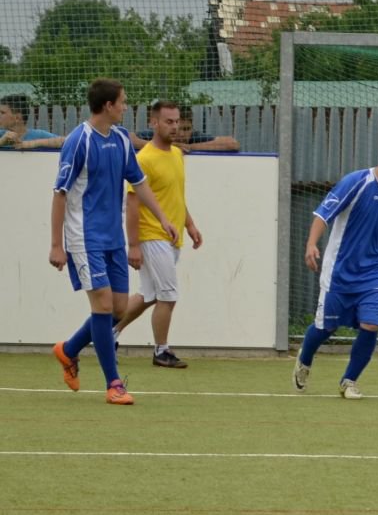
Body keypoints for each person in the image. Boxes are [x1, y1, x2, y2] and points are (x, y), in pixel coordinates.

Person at [49, 78, 178, 405]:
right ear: (108, 105)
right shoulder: (79, 141)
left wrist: (164, 219)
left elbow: (140, 183)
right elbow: (60, 193)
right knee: (103, 306)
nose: (125, 106)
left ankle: (68, 350)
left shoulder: (120, 139)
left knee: (119, 309)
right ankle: (114, 384)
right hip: (84, 238)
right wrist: (56, 245)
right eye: (122, 101)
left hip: (113, 239)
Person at [292, 130, 378, 400]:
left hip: (374, 274)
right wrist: (311, 244)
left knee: (371, 324)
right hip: (339, 271)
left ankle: (349, 380)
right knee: (325, 329)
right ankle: (305, 358)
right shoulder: (356, 182)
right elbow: (323, 214)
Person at [112, 100, 203, 368]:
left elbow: (175, 196)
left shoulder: (176, 154)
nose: (174, 127)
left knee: (149, 294)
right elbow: (132, 204)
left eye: (177, 121)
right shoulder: (144, 159)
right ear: (154, 123)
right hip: (152, 236)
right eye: (168, 121)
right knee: (168, 295)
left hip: (171, 237)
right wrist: (133, 245)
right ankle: (161, 351)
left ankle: (109, 333)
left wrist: (189, 224)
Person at [132, 106, 239, 152]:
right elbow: (129, 138)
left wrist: (190, 147)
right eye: (177, 129)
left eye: (187, 129)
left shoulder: (195, 137)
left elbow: (232, 143)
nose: (182, 134)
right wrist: (161, 146)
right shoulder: (158, 134)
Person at [0, 94, 64, 150]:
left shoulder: (38, 135)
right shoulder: (1, 135)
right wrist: (1, 142)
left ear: (17, 118)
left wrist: (32, 143)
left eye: (2, 113)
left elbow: (66, 142)